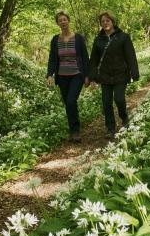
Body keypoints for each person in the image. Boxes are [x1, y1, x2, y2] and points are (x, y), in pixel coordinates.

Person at [89, 11, 139, 139]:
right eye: (103, 21)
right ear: (100, 24)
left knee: (119, 99)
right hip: (104, 76)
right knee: (106, 102)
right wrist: (93, 77)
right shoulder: (98, 40)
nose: (105, 23)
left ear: (112, 21)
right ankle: (110, 128)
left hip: (120, 74)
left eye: (107, 20)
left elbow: (130, 56)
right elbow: (93, 60)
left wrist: (134, 73)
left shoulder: (123, 37)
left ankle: (124, 118)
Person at [46, 11, 90, 142]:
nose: (63, 22)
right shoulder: (55, 40)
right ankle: (72, 130)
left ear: (68, 21)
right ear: (57, 23)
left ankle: (75, 131)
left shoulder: (78, 38)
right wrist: (49, 75)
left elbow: (85, 57)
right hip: (62, 76)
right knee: (68, 104)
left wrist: (87, 75)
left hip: (77, 74)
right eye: (60, 20)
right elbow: (52, 59)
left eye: (65, 19)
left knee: (71, 101)